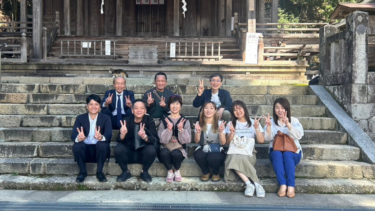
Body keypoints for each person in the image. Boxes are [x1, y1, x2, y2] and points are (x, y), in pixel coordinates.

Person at [264, 98, 304, 198]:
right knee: (277, 153)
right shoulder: (272, 121)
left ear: (287, 108)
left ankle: (291, 186)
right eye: (277, 107)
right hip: (276, 151)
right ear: (274, 109)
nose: (280, 110)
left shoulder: (294, 120)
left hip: (294, 152)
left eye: (282, 107)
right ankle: (282, 184)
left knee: (287, 154)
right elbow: (267, 138)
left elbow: (299, 135)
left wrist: (288, 124)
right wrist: (268, 127)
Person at [224, 100, 266, 197]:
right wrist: (231, 133)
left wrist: (256, 129)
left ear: (244, 109)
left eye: (239, 108)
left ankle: (251, 184)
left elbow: (261, 140)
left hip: (249, 152)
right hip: (235, 150)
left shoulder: (253, 122)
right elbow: (227, 142)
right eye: (235, 110)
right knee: (234, 157)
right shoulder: (231, 123)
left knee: (236, 159)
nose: (237, 111)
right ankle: (254, 184)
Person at [115, 99, 159, 183]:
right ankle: (125, 171)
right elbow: (118, 140)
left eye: (142, 108)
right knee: (118, 148)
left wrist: (145, 137)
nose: (139, 110)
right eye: (136, 108)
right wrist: (122, 135)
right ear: (132, 110)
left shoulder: (149, 120)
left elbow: (154, 139)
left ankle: (144, 172)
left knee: (151, 150)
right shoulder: (126, 120)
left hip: (143, 154)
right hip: (129, 153)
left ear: (145, 110)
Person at [71, 94, 112, 183]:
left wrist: (101, 137)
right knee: (77, 145)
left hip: (99, 151)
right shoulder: (80, 118)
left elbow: (109, 134)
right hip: (85, 150)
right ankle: (82, 172)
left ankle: (100, 172)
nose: (94, 107)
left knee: (103, 144)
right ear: (87, 106)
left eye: (96, 104)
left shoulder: (106, 118)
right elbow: (73, 134)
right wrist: (79, 138)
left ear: (100, 106)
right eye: (91, 104)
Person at [158, 95, 191, 183]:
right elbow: (162, 140)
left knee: (176, 153)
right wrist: (168, 130)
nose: (175, 106)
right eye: (172, 104)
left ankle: (177, 170)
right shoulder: (164, 120)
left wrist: (181, 130)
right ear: (169, 105)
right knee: (164, 152)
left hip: (179, 149)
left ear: (181, 106)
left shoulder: (185, 120)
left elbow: (187, 140)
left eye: (177, 104)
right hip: (166, 147)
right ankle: (170, 171)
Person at [193, 101, 226, 182]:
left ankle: (216, 173)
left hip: (217, 149)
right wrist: (198, 132)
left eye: (211, 108)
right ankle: (206, 172)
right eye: (206, 108)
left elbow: (223, 142)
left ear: (215, 111)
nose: (208, 110)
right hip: (204, 147)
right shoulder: (199, 123)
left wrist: (221, 132)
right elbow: (197, 141)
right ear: (203, 110)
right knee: (198, 155)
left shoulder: (220, 123)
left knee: (213, 157)